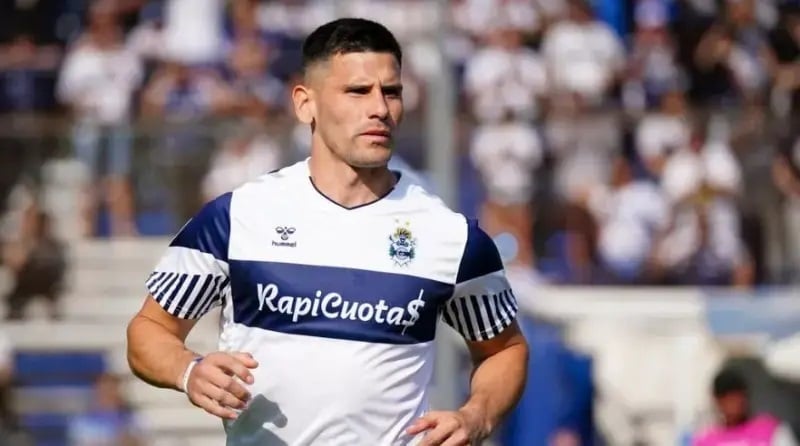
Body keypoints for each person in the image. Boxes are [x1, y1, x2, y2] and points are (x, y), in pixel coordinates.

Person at [126, 18, 529, 446]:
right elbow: (149, 330)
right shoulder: (236, 217)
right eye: (358, 91)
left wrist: (476, 415)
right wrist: (187, 371)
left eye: (391, 92)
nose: (379, 108)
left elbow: (505, 349)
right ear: (305, 104)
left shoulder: (450, 236)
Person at [692, 367, 798, 446]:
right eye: (727, 399)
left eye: (736, 397)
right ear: (717, 401)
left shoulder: (770, 430)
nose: (732, 404)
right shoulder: (705, 440)